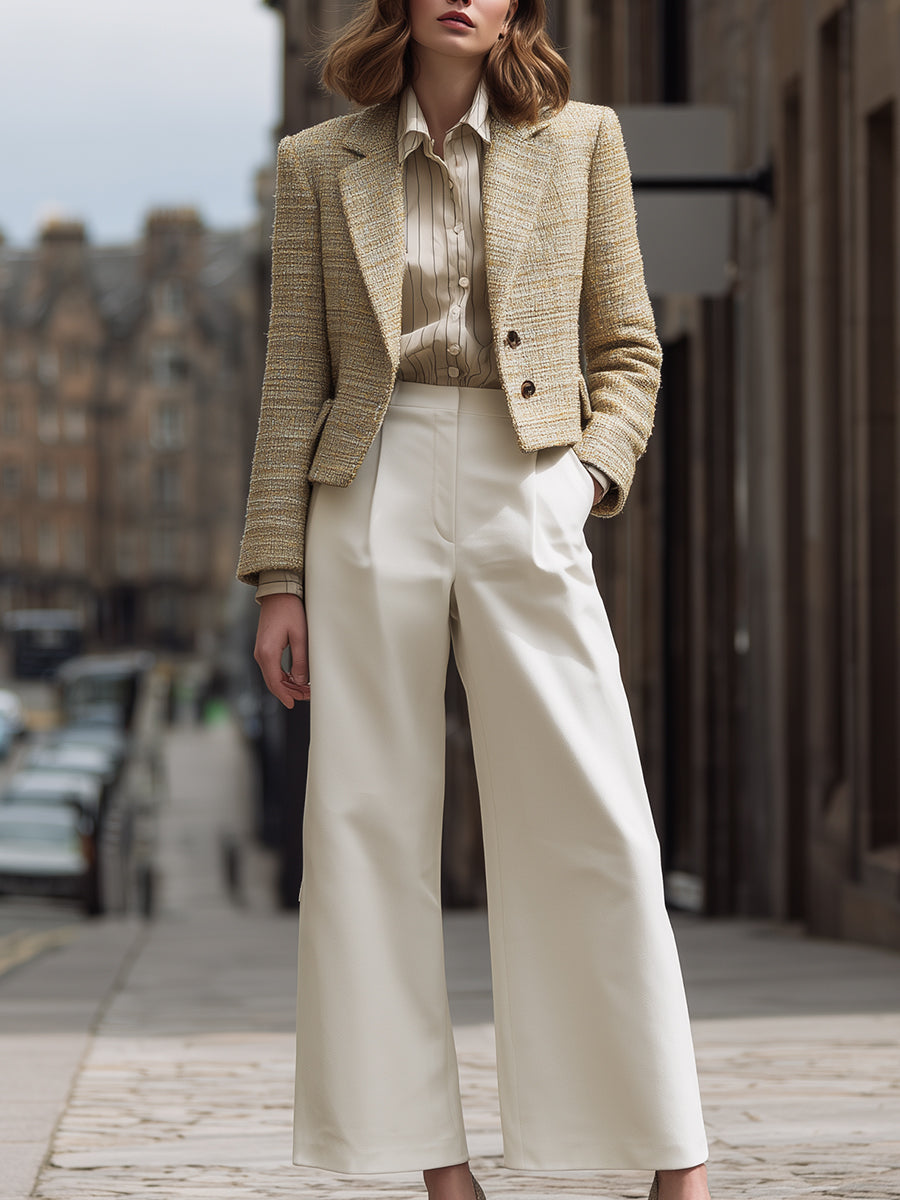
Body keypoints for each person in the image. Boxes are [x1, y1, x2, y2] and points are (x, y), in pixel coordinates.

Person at [236, 1, 712, 1198]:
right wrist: (279, 577)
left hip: (529, 477)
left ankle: (673, 1159)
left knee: (596, 814)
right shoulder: (317, 162)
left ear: (518, 10)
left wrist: (583, 480)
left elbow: (630, 349)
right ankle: (436, 1171)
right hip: (368, 485)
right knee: (365, 828)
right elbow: (293, 378)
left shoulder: (583, 138)